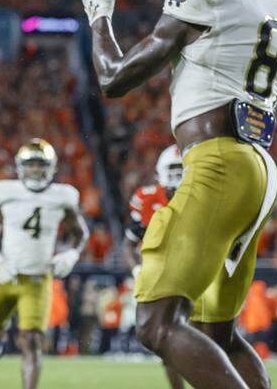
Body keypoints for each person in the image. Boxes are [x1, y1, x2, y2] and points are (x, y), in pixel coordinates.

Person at [79, 0, 277, 389]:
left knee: (156, 323)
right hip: (259, 165)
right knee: (216, 332)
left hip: (218, 160)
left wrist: (100, 20)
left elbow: (115, 78)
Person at [0, 138, 87, 389]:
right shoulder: (6, 192)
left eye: (41, 164)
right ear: (19, 166)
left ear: (52, 167)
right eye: (31, 164)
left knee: (33, 340)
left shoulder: (63, 197)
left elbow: (80, 233)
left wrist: (72, 253)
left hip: (37, 279)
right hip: (6, 275)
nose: (36, 169)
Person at [123, 146, 185, 389]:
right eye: (173, 169)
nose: (177, 175)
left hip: (195, 272)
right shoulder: (147, 198)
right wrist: (137, 271)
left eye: (182, 169)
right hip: (159, 276)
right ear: (160, 172)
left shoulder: (201, 195)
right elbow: (128, 243)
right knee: (161, 339)